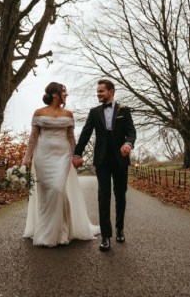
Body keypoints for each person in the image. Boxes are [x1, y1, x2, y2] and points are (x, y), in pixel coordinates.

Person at [22, 82, 100, 247]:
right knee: (47, 194)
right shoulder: (39, 112)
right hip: (43, 156)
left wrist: (75, 155)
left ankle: (61, 232)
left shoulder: (68, 114)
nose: (66, 94)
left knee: (57, 189)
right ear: (55, 94)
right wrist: (27, 158)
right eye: (64, 92)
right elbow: (33, 137)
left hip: (62, 156)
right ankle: (51, 231)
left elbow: (71, 137)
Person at [73, 79, 136, 252]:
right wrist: (77, 153)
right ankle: (106, 237)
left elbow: (131, 132)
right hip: (101, 159)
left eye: (101, 91)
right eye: (98, 91)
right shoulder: (94, 112)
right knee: (103, 196)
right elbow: (86, 133)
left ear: (111, 91)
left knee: (120, 194)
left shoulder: (125, 110)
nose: (98, 94)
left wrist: (128, 144)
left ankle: (120, 229)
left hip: (120, 158)